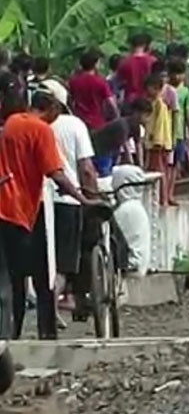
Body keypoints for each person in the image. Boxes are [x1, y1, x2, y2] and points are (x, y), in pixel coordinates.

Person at [0, 87, 94, 340]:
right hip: (21, 210)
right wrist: (83, 198)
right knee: (42, 274)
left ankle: (11, 334)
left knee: (11, 280)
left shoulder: (12, 122)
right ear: (52, 109)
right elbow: (56, 173)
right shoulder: (41, 130)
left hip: (4, 208)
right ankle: (45, 333)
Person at [40, 79, 98, 319]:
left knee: (43, 262)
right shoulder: (75, 125)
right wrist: (91, 195)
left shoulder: (35, 124)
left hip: (38, 202)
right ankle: (53, 311)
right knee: (63, 262)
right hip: (67, 201)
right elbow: (86, 168)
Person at [90, 98, 152, 174]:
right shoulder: (123, 125)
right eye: (146, 115)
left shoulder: (136, 127)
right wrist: (133, 167)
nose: (148, 119)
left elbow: (138, 146)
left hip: (111, 150)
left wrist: (141, 166)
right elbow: (126, 149)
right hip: (100, 148)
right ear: (137, 113)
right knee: (105, 173)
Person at [69, 48, 118, 136]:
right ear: (95, 64)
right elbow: (110, 102)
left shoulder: (73, 81)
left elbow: (70, 100)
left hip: (79, 120)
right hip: (96, 122)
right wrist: (116, 116)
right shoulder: (100, 82)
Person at [143, 73, 173, 205]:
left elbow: (160, 124)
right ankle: (160, 197)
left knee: (159, 171)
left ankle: (163, 198)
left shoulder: (160, 105)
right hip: (153, 142)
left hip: (157, 143)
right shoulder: (153, 104)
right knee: (157, 170)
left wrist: (157, 141)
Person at [168, 59, 189, 195]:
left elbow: (188, 114)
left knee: (177, 163)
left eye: (181, 74)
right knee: (168, 164)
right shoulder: (165, 90)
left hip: (180, 132)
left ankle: (171, 191)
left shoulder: (185, 92)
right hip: (167, 132)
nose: (178, 77)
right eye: (175, 73)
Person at [117, 32, 156, 101]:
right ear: (145, 45)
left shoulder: (124, 63)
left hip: (130, 99)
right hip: (148, 98)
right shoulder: (152, 61)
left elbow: (119, 81)